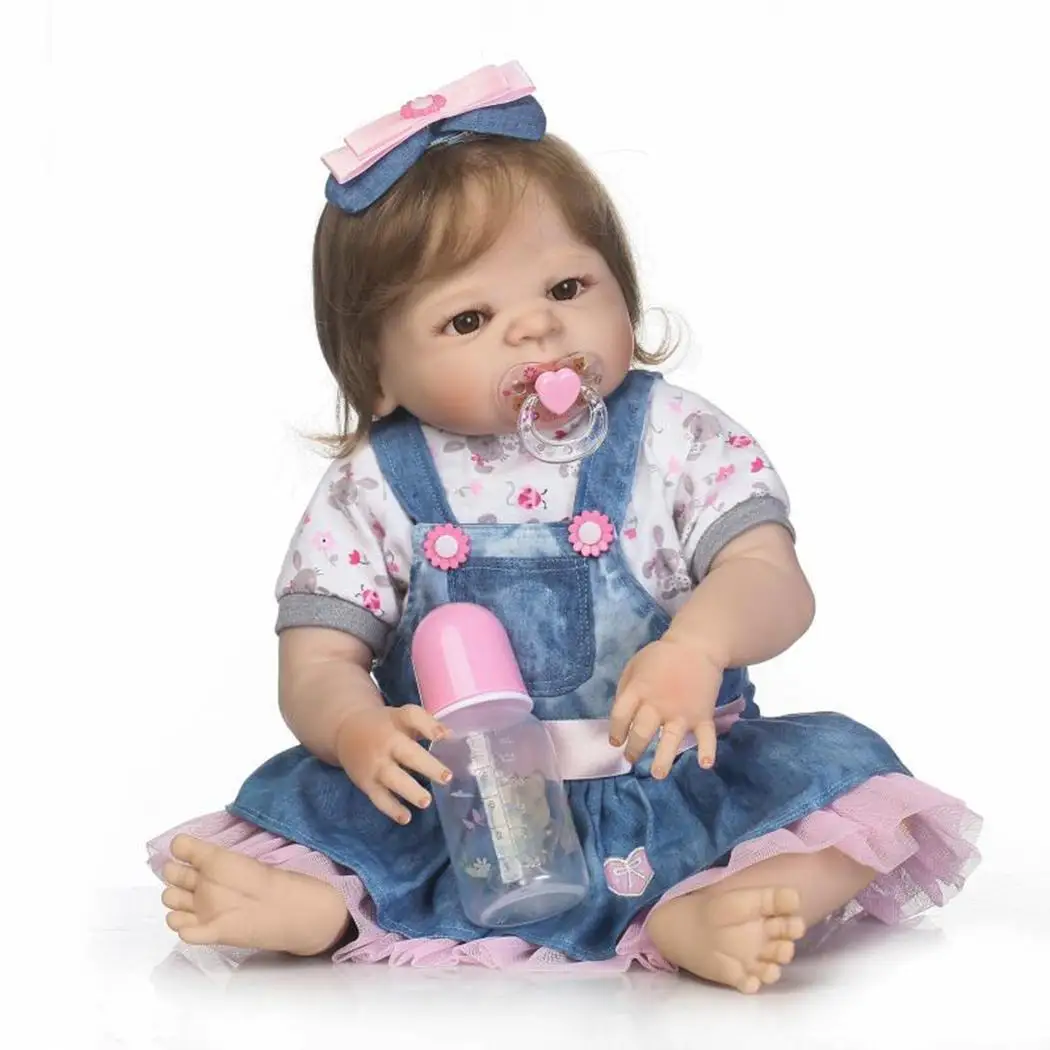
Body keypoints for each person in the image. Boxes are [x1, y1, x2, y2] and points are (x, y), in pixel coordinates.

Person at [147, 61, 981, 992]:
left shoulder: (672, 437)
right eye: (470, 317)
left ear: (623, 288)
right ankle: (324, 904)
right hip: (464, 811)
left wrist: (699, 644)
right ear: (374, 373)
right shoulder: (373, 486)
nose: (536, 330)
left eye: (569, 287)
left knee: (859, 788)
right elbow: (316, 661)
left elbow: (770, 575)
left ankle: (712, 904)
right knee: (312, 804)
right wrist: (355, 730)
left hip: (670, 785)